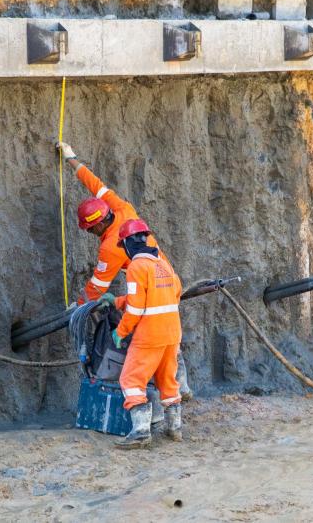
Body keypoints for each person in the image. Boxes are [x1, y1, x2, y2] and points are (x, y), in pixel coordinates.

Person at [57, 141, 194, 402]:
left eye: (90, 229)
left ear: (98, 226)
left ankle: (154, 395)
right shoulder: (121, 208)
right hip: (167, 278)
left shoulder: (111, 247)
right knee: (169, 332)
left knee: (147, 337)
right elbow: (96, 185)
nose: (90, 233)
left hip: (147, 286)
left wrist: (78, 307)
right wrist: (71, 159)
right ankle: (180, 387)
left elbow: (97, 286)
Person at [111, 219, 184, 449]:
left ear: (127, 244)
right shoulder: (162, 263)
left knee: (131, 380)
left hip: (149, 335)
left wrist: (120, 331)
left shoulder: (136, 267)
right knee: (167, 380)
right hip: (172, 333)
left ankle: (141, 432)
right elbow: (173, 293)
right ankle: (175, 428)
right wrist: (117, 301)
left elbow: (136, 308)